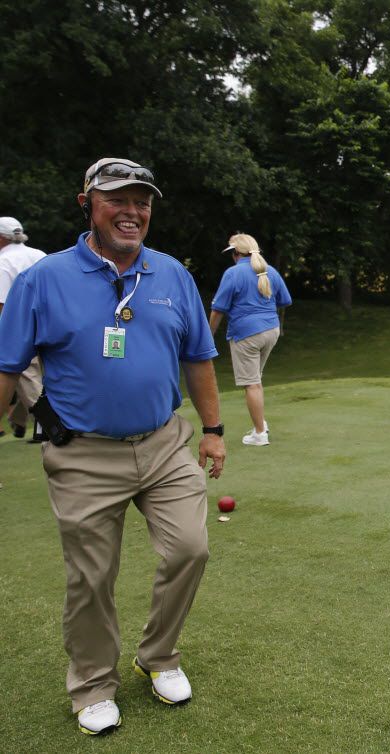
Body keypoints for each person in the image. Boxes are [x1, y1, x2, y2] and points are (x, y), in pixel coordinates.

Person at [0, 157, 226, 735]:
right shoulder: (42, 279)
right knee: (92, 576)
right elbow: (7, 370)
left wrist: (215, 430)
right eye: (117, 200)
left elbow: (198, 358)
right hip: (82, 455)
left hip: (163, 445)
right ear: (88, 206)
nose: (132, 212)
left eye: (141, 202)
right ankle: (94, 685)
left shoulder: (172, 274)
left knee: (190, 549)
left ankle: (158, 656)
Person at [209, 233, 292, 446]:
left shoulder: (233, 273)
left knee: (252, 384)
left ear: (236, 253)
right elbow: (285, 300)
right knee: (256, 379)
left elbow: (218, 309)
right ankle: (260, 422)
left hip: (246, 334)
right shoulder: (269, 270)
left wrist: (208, 337)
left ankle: (259, 433)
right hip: (271, 330)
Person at [0, 216, 46, 441]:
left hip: (20, 331)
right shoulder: (40, 255)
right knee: (34, 379)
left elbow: (2, 305)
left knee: (24, 377)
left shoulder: (3, 261)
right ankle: (18, 422)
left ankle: (49, 424)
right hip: (51, 325)